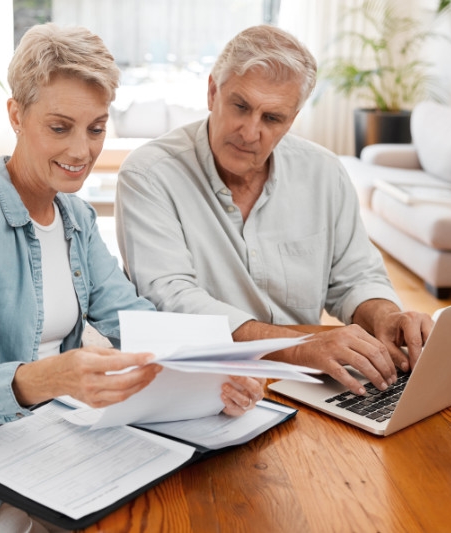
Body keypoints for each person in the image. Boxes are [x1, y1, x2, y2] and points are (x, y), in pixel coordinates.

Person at [0, 23, 263, 533]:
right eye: (60, 128)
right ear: (16, 115)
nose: (82, 151)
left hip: (45, 451)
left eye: (96, 128)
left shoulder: (75, 219)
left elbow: (133, 319)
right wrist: (53, 378)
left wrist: (217, 369)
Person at [115, 25, 434, 399]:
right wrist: (299, 347)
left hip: (306, 383)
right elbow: (171, 300)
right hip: (200, 384)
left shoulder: (323, 173)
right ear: (212, 92)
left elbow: (355, 277)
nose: (250, 132)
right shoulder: (149, 174)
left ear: (293, 119)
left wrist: (384, 316)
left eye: (272, 118)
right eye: (240, 106)